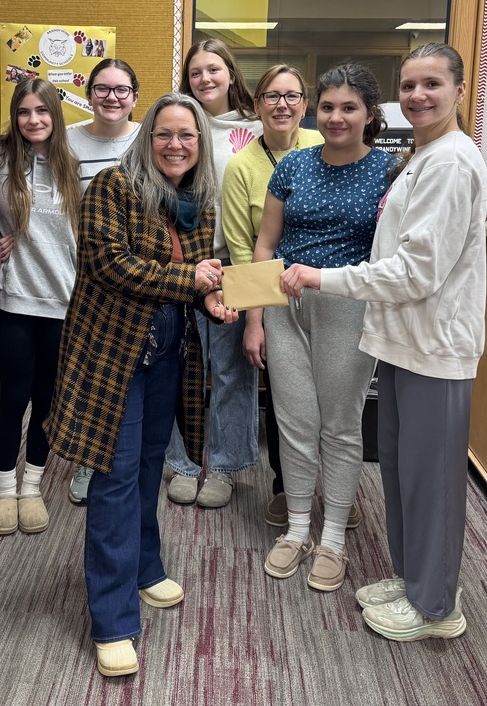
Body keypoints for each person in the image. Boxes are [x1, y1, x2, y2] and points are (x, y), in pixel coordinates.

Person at [281, 43, 487, 639]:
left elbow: (414, 270)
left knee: (432, 479)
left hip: (433, 347)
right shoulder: (425, 157)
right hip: (400, 341)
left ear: (458, 89)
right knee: (402, 470)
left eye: (432, 85)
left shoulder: (450, 162)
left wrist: (322, 277)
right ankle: (413, 578)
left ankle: (436, 607)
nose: (418, 96)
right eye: (410, 86)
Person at [45, 93, 236, 677]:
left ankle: (145, 567)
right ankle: (112, 618)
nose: (176, 145)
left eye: (188, 135)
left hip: (168, 356)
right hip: (112, 358)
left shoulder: (196, 201)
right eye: (164, 134)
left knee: (152, 466)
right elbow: (110, 264)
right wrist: (191, 280)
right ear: (145, 138)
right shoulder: (111, 188)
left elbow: (203, 273)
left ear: (200, 143)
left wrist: (215, 297)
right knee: (114, 476)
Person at [250, 63, 393, 593]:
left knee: (339, 423)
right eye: (328, 107)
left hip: (346, 307)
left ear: (369, 115)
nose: (336, 117)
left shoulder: (390, 171)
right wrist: (255, 318)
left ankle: (333, 536)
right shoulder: (294, 165)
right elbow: (265, 245)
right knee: (294, 420)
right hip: (285, 306)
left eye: (349, 107)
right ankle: (297, 530)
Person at [0, 78, 81, 536]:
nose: (33, 120)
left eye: (42, 111)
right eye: (23, 112)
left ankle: (32, 486)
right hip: (14, 299)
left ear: (55, 114)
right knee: (13, 398)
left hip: (65, 303)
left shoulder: (73, 162)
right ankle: (3, 487)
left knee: (47, 401)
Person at [221, 63, 324, 528]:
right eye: (271, 97)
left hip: (329, 290)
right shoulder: (242, 166)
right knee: (286, 400)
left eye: (291, 96)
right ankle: (287, 488)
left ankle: (333, 489)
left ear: (305, 104)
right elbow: (246, 250)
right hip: (275, 298)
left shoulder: (324, 148)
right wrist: (255, 321)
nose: (282, 105)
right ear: (257, 104)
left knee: (334, 402)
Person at [165, 38, 262, 509]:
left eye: (214, 69)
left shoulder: (257, 125)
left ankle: (224, 466)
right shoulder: (179, 123)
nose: (205, 78)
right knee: (180, 367)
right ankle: (182, 463)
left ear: (231, 73)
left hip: (237, 262)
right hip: (183, 264)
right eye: (196, 71)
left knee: (230, 371)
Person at [63, 59, 141, 504]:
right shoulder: (67, 138)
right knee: (93, 374)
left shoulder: (147, 138)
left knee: (131, 377)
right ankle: (87, 461)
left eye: (121, 89)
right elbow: (0, 154)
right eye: (102, 88)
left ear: (134, 95)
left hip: (136, 273)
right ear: (89, 93)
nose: (112, 97)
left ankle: (134, 460)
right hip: (85, 275)